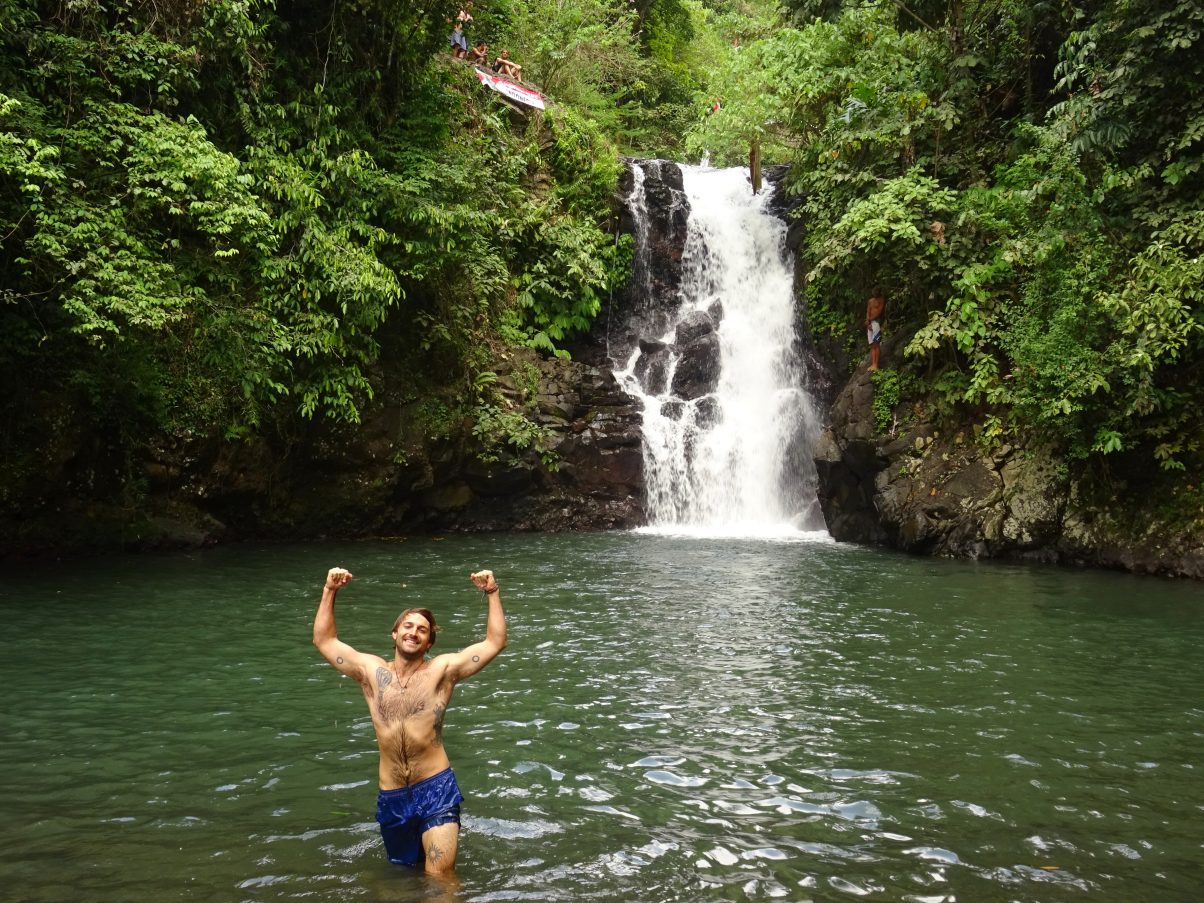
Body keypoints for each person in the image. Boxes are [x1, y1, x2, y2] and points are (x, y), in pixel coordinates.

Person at [312, 566, 508, 876]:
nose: (413, 632)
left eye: (422, 630)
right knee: (404, 876)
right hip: (392, 795)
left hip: (436, 788)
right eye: (407, 626)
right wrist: (330, 590)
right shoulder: (370, 671)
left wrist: (492, 592)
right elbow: (324, 640)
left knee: (439, 877)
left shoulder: (442, 670)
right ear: (394, 634)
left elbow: (494, 642)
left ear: (429, 643)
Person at [865, 286, 886, 371]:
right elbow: (868, 311)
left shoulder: (881, 300)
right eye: (873, 291)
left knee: (876, 344)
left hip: (876, 322)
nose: (874, 292)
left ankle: (876, 365)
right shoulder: (870, 301)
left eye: (876, 291)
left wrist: (870, 320)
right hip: (870, 324)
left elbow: (879, 312)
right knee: (871, 344)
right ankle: (873, 364)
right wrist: (867, 321)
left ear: (879, 291)